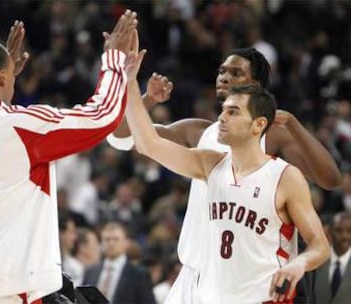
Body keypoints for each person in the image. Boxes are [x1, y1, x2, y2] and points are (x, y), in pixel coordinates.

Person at [107, 47, 342, 304]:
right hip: (199, 276)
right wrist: (138, 90)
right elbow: (128, 139)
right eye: (222, 71)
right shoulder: (206, 146)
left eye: (236, 72)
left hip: (257, 282)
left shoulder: (278, 152)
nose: (224, 77)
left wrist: (294, 124)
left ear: (255, 86)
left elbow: (330, 180)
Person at [0, 10, 138, 303]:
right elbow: (100, 116)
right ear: (2, 75)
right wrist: (113, 60)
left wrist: (2, 75)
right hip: (6, 283)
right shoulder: (19, 127)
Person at [82, 222, 156, 304]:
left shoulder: (139, 275)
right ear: (101, 242)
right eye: (107, 239)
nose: (111, 243)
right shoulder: (90, 272)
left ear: (126, 243)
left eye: (116, 239)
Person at [315, 211, 351, 304]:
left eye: (349, 231)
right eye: (339, 230)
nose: (344, 236)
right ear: (330, 231)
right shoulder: (317, 260)